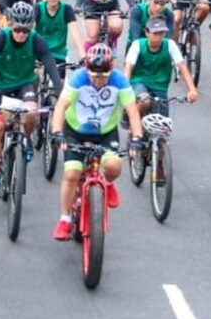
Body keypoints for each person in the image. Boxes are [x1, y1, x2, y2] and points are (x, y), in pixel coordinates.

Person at [49, 43, 143, 240]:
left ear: (111, 70)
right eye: (94, 75)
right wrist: (57, 133)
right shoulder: (78, 79)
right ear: (86, 69)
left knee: (114, 166)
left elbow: (132, 111)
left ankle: (107, 184)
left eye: (103, 76)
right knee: (72, 173)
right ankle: (65, 218)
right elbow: (60, 107)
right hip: (75, 131)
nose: (98, 80)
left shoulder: (119, 80)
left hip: (105, 133)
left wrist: (136, 138)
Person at [0, 1, 62, 197]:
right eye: (17, 29)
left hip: (24, 85)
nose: (21, 34)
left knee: (32, 113)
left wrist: (61, 93)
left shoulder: (36, 40)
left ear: (30, 27)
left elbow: (50, 66)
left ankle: (27, 138)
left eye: (25, 30)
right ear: (10, 25)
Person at [124, 18, 199, 122]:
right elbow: (128, 67)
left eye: (161, 33)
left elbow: (182, 66)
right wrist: (125, 89)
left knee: (162, 128)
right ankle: (134, 128)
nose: (158, 36)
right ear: (147, 32)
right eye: (155, 33)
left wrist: (192, 90)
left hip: (160, 87)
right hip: (139, 82)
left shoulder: (170, 45)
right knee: (144, 100)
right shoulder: (138, 44)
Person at [36, 0, 84, 78]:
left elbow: (76, 35)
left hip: (58, 53)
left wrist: (83, 58)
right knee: (33, 79)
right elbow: (30, 32)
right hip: (37, 52)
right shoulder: (38, 8)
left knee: (58, 89)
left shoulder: (67, 10)